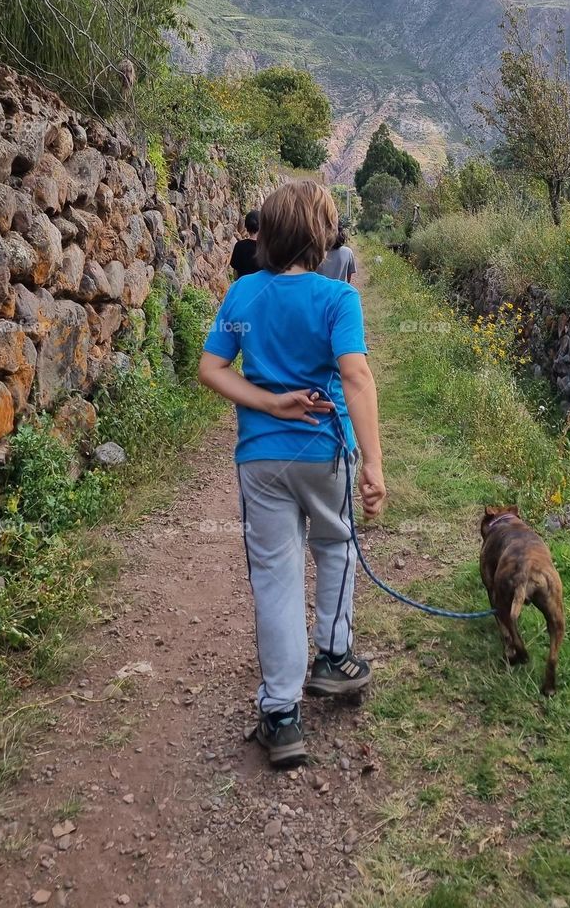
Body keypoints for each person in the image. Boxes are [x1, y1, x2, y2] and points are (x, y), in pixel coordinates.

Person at [198, 180, 386, 768]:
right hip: (326, 451)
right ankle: (333, 656)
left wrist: (268, 402)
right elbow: (355, 377)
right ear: (323, 236)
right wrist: (374, 465)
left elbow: (211, 368)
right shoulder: (338, 299)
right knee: (336, 548)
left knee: (275, 578)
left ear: (268, 237)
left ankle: (280, 717)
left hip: (261, 458)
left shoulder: (242, 295)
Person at [230, 208, 261, 278]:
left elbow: (235, 272)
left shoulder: (239, 246)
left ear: (246, 226)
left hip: (243, 287)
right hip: (262, 288)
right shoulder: (267, 248)